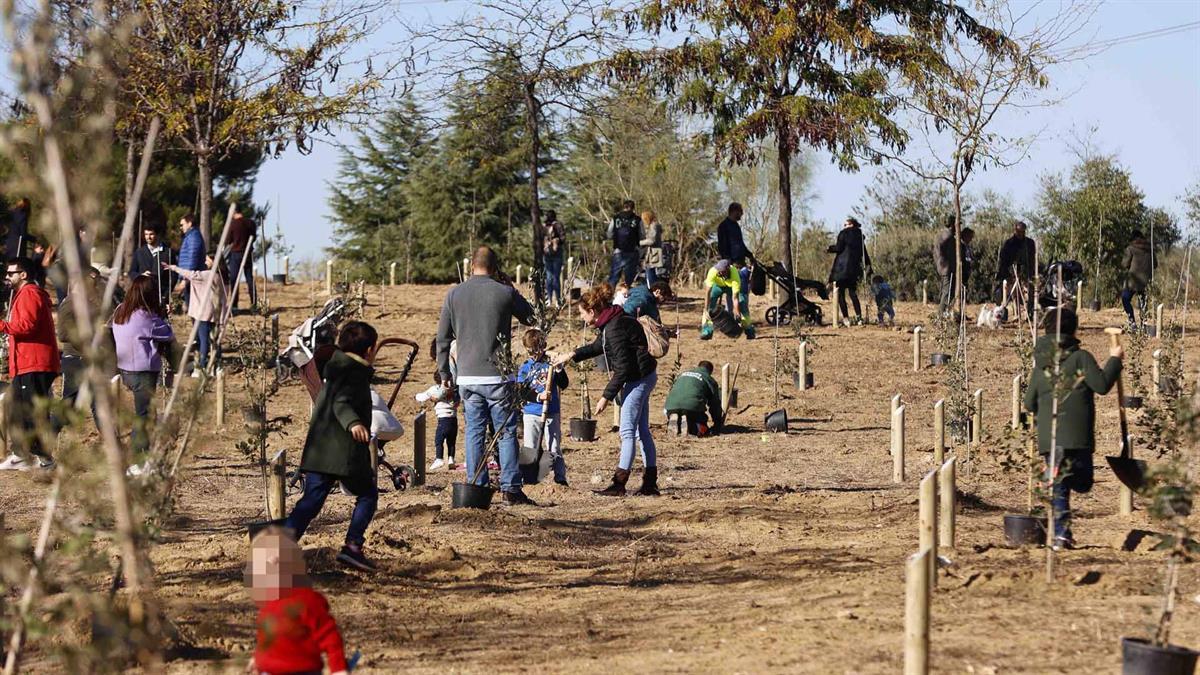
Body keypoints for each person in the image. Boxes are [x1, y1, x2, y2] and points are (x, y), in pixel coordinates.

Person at [436, 246, 537, 506]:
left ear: (472, 266)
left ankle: (476, 485)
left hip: (467, 377)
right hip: (498, 376)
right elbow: (531, 316)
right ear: (495, 267)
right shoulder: (504, 292)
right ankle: (511, 487)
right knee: (505, 432)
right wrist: (510, 287)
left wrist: (445, 371)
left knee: (474, 432)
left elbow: (443, 338)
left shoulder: (454, 294)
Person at [284, 321, 381, 571]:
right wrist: (353, 423)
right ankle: (352, 547)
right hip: (343, 452)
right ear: (369, 350)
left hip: (320, 450)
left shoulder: (336, 367)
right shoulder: (353, 372)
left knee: (312, 500)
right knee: (367, 494)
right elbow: (341, 402)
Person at [1023, 307, 1122, 550]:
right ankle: (1061, 534)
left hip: (1051, 439)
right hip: (1078, 439)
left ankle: (1059, 528)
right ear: (1073, 330)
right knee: (1078, 481)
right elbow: (1101, 385)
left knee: (1066, 485)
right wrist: (1115, 360)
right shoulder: (1081, 358)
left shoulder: (1041, 365)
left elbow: (1028, 403)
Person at [554, 283, 658, 497]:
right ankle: (650, 483)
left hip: (638, 379)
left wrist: (605, 397)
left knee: (627, 431)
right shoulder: (610, 321)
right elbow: (596, 347)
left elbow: (623, 369)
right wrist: (571, 354)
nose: (581, 318)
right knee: (641, 431)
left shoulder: (614, 328)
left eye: (582, 313)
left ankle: (619, 484)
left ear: (592, 311)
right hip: (644, 375)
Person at [246, 527, 349, 675]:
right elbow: (267, 639)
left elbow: (330, 637)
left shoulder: (308, 601)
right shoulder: (268, 603)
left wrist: (338, 669)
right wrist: (258, 659)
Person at [0, 257, 60, 471]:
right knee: (16, 408)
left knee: (31, 413)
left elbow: (26, 326)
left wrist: (2, 325)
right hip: (26, 363)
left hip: (34, 363)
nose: (7, 276)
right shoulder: (22, 294)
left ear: (23, 275)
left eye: (11, 273)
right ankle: (20, 455)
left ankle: (45, 459)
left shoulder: (30, 293)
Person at [111, 276, 174, 473]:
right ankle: (138, 462)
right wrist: (163, 315)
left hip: (125, 369)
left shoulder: (120, 311)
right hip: (143, 371)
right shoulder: (147, 317)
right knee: (144, 417)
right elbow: (167, 333)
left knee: (146, 414)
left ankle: (145, 459)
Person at [518, 328, 570, 486]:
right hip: (531, 413)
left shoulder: (551, 364)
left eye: (536, 350)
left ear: (543, 347)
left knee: (554, 446)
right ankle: (528, 479)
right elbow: (521, 391)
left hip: (551, 413)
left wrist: (559, 369)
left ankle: (560, 478)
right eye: (530, 351)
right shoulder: (526, 367)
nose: (533, 354)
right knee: (530, 447)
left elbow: (564, 384)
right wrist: (538, 396)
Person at [165, 254, 227, 377]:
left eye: (207, 259)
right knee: (213, 341)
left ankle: (201, 368)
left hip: (203, 313)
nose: (205, 260)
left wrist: (174, 267)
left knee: (203, 341)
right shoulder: (219, 276)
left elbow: (190, 274)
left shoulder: (206, 275)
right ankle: (218, 366)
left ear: (213, 261)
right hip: (213, 313)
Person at [827, 217, 871, 326]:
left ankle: (846, 319)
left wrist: (829, 248)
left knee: (840, 295)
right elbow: (864, 255)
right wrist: (869, 268)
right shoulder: (860, 237)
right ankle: (859, 318)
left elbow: (839, 248)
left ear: (851, 224)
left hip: (841, 270)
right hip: (854, 270)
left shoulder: (843, 234)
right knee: (853, 293)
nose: (844, 226)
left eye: (845, 224)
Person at [664, 360, 723, 437]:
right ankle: (693, 427)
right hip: (692, 408)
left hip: (670, 406)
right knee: (703, 427)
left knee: (678, 414)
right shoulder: (708, 378)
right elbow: (714, 404)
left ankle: (676, 422)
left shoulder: (682, 374)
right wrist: (717, 422)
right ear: (710, 371)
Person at [700, 259, 754, 340]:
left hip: (731, 287)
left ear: (728, 269)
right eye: (719, 270)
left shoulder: (735, 275)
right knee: (710, 306)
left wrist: (737, 313)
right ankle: (707, 331)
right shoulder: (712, 271)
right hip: (717, 286)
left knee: (742, 304)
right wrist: (706, 309)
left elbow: (735, 298)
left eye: (722, 271)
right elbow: (708, 292)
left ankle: (749, 330)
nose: (719, 272)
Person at [415, 372, 458, 472]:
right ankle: (451, 459)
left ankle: (439, 458)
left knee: (439, 440)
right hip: (453, 419)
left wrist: (416, 396)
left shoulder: (435, 389)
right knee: (451, 441)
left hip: (443, 419)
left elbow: (422, 397)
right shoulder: (453, 389)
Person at [716, 202, 752, 316]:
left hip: (741, 264)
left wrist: (749, 255)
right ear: (734, 211)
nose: (741, 214)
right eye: (740, 212)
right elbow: (722, 247)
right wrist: (728, 263)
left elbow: (740, 244)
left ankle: (741, 317)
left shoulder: (736, 226)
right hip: (731, 265)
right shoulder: (723, 226)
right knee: (732, 294)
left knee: (742, 293)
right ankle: (730, 317)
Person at [129, 224, 175, 311]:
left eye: (151, 234)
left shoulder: (168, 253)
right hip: (143, 295)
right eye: (146, 234)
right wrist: (141, 275)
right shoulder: (139, 252)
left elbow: (173, 277)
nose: (148, 237)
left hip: (161, 296)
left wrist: (166, 295)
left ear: (157, 235)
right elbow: (132, 272)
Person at [996, 220, 1037, 315]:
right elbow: (1003, 260)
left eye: (1023, 231)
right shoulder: (1009, 243)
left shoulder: (1030, 243)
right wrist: (1007, 274)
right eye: (1019, 231)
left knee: (1029, 293)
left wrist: (1032, 271)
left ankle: (1029, 314)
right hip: (1012, 272)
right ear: (1015, 230)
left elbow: (1032, 258)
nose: (1020, 233)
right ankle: (1016, 314)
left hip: (1026, 273)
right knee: (1014, 295)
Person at [226, 209, 257, 311]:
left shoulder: (233, 224)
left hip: (236, 253)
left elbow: (228, 240)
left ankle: (234, 305)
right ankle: (254, 303)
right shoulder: (250, 223)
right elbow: (254, 237)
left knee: (234, 279)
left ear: (234, 213)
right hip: (247, 253)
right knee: (249, 279)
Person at [1121, 231, 1153, 329]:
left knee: (1125, 299)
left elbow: (1125, 264)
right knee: (1143, 304)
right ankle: (1143, 325)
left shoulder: (1130, 249)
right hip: (1146, 282)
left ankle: (1132, 321)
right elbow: (1155, 264)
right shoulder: (1150, 249)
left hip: (1132, 281)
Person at [607, 200, 643, 286]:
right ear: (633, 208)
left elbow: (609, 234)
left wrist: (615, 239)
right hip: (633, 251)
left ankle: (607, 296)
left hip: (618, 251)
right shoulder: (637, 219)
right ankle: (628, 296)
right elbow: (642, 235)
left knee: (614, 276)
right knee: (630, 278)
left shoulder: (615, 218)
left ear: (623, 207)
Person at [175, 213, 205, 308]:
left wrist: (186, 278)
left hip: (192, 278)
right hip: (190, 276)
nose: (181, 227)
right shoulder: (190, 236)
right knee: (192, 307)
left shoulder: (193, 237)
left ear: (190, 223)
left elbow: (193, 257)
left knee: (194, 308)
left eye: (182, 224)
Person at [934, 216, 957, 313]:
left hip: (941, 267)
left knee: (944, 291)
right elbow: (952, 255)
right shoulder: (950, 237)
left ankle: (943, 313)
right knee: (948, 292)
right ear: (952, 225)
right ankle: (941, 315)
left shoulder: (940, 235)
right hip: (947, 268)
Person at [542, 210, 565, 306]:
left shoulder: (557, 225)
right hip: (548, 254)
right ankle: (550, 299)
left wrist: (555, 241)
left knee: (553, 277)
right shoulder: (545, 226)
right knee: (550, 277)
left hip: (555, 254)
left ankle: (557, 299)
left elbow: (563, 238)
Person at [640, 210, 664, 286]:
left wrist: (639, 243)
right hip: (651, 252)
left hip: (653, 253)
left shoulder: (654, 226)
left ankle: (653, 289)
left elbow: (651, 240)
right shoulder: (652, 226)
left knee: (650, 271)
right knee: (650, 271)